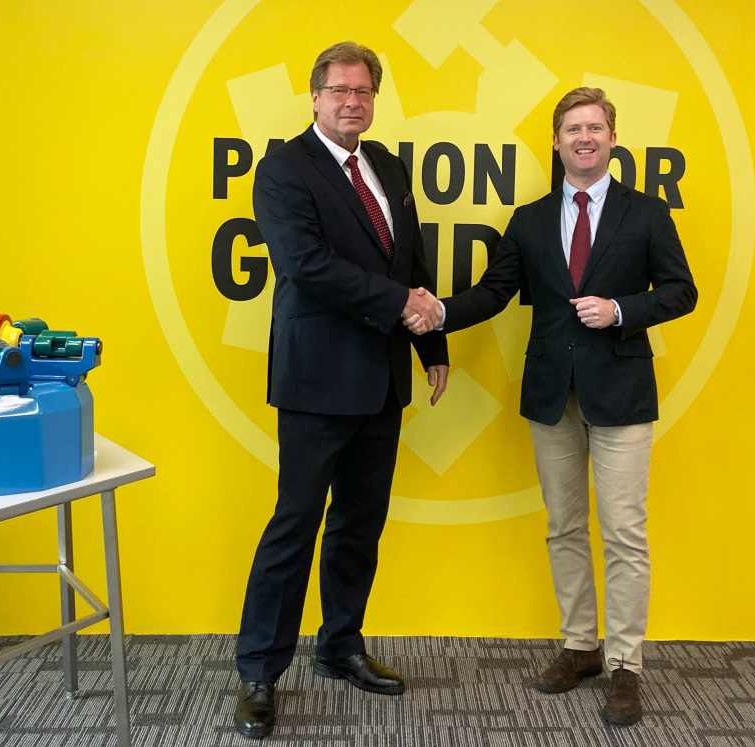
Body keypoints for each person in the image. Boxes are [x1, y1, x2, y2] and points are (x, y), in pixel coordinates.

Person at [406, 86, 696, 726]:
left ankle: (626, 665)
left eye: (595, 128)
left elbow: (681, 291)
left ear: (612, 139)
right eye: (573, 129)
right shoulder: (530, 219)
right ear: (557, 142)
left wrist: (620, 309)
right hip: (551, 394)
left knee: (624, 533)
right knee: (564, 527)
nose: (584, 138)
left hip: (621, 393)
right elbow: (494, 292)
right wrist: (439, 313)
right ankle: (581, 647)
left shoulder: (647, 214)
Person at [233, 41, 450, 740]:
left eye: (364, 91)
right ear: (315, 97)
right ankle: (260, 672)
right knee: (295, 525)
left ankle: (340, 646)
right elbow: (306, 264)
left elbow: (409, 260)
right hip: (316, 379)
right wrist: (401, 305)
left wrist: (431, 342)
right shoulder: (283, 167)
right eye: (340, 90)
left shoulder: (387, 164)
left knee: (360, 522)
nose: (353, 102)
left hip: (382, 378)